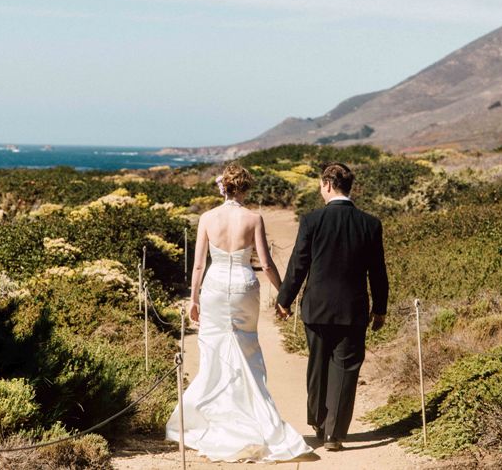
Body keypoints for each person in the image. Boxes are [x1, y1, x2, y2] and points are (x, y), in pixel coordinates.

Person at [166, 163, 311, 462]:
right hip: (245, 286)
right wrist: (284, 294)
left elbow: (198, 265)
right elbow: (267, 263)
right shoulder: (254, 218)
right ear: (244, 187)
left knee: (215, 352)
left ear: (223, 186)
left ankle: (216, 419)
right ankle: (255, 419)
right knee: (247, 349)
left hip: (216, 287)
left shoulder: (207, 218)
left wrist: (193, 299)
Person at [276, 162, 389, 452]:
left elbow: (298, 264)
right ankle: (335, 434)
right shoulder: (370, 223)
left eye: (319, 185)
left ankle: (318, 421)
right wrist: (380, 308)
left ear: (327, 185)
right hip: (353, 308)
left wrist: (284, 300)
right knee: (347, 367)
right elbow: (378, 271)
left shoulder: (312, 220)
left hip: (317, 307)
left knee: (317, 364)